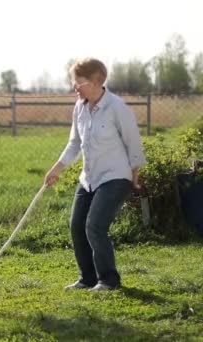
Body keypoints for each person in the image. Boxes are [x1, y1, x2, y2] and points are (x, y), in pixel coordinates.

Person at [44, 58, 146, 291]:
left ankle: (109, 281)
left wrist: (135, 174)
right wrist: (56, 169)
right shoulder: (80, 107)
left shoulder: (117, 107)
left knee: (95, 225)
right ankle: (87, 278)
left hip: (116, 176)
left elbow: (134, 143)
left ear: (94, 82)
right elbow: (74, 144)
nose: (74, 87)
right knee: (77, 225)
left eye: (78, 82)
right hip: (89, 179)